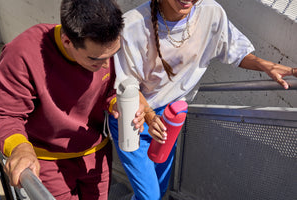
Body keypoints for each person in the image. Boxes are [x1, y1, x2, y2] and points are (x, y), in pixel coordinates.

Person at [108, 0, 297, 199]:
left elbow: (234, 50)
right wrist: (148, 115)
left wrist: (266, 65)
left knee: (161, 186)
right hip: (135, 117)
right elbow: (126, 86)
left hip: (171, 117)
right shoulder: (132, 25)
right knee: (150, 195)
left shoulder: (210, 12)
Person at [0, 0, 144, 199]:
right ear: (67, 42)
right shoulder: (23, 53)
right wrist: (20, 148)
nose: (105, 65)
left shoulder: (104, 51)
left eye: (112, 55)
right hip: (48, 160)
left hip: (96, 153)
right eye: (95, 59)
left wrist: (116, 103)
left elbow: (109, 90)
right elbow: (5, 113)